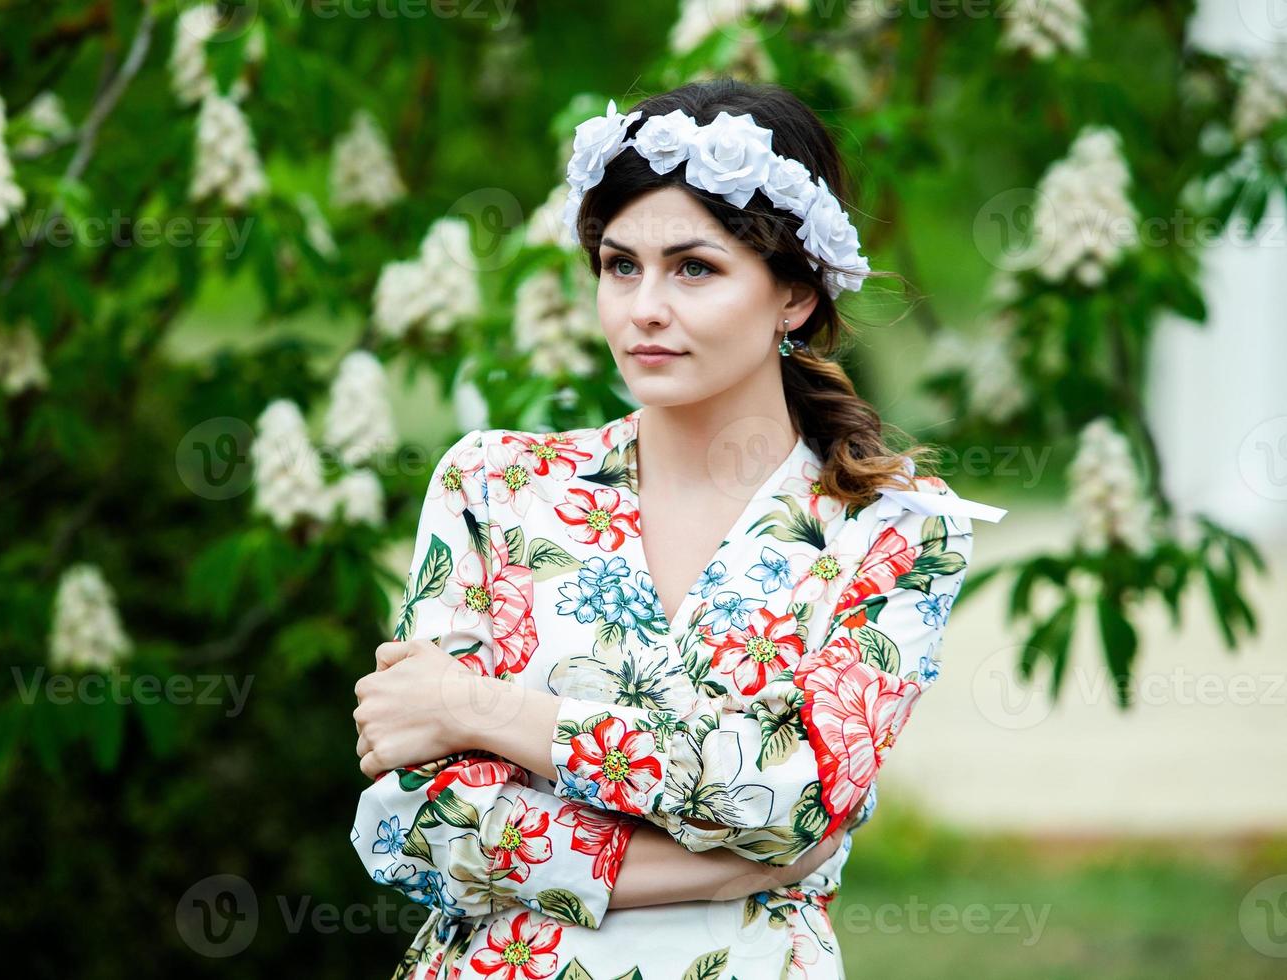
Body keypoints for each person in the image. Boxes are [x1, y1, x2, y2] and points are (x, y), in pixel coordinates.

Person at [350, 77, 1007, 980]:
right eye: (621, 266)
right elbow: (415, 825)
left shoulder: (892, 528)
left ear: (796, 295)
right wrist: (709, 869)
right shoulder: (495, 485)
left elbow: (791, 799)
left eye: (693, 268)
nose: (643, 308)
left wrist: (479, 710)